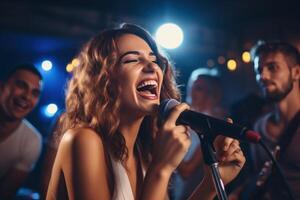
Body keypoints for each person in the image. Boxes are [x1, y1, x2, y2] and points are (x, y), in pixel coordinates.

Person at [46, 23, 245, 200]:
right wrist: (161, 169)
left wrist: (211, 185)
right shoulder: (83, 140)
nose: (152, 67)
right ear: (104, 80)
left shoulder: (145, 152)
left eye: (154, 59)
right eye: (132, 60)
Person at [230, 41, 300, 200]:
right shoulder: (259, 126)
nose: (263, 76)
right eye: (259, 70)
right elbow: (261, 174)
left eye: (273, 67)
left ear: (296, 72)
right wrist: (239, 192)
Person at [171, 68, 227, 200]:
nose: (192, 91)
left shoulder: (212, 127)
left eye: (199, 88)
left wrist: (162, 149)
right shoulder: (186, 120)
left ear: (211, 93)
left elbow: (187, 171)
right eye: (193, 85)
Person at [0, 64, 43, 199]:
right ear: (2, 87)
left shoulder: (32, 140)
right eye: (21, 86)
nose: (27, 96)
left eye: (35, 93)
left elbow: (5, 194)